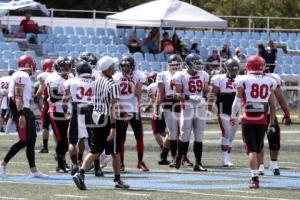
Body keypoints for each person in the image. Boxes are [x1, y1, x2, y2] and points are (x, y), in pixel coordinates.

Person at [73, 56, 130, 190]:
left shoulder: (97, 81)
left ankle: (80, 173)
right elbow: (113, 107)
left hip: (96, 118)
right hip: (107, 119)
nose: (115, 68)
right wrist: (113, 127)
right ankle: (117, 179)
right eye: (112, 66)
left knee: (95, 150)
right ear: (108, 68)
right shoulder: (113, 84)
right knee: (115, 152)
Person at [230, 55, 277, 189]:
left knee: (251, 150)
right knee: (257, 148)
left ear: (249, 65)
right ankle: (257, 172)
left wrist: (233, 116)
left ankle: (254, 178)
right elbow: (272, 105)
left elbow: (237, 101)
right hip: (262, 119)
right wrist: (272, 123)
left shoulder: (242, 79)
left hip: (248, 118)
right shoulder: (270, 80)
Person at [0, 55, 48, 178]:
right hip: (20, 110)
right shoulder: (21, 75)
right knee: (24, 140)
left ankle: (33, 170)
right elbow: (18, 96)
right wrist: (21, 114)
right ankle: (3, 164)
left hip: (25, 109)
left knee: (31, 140)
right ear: (28, 65)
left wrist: (42, 85)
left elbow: (29, 97)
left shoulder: (24, 77)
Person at [113, 55, 149, 172]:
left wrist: (131, 81)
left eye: (127, 65)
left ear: (132, 66)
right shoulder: (116, 77)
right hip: (122, 110)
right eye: (123, 65)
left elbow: (138, 94)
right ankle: (121, 163)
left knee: (139, 137)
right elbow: (114, 96)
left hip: (134, 109)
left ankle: (140, 162)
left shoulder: (138, 76)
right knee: (121, 138)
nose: (125, 67)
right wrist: (120, 110)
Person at [62, 61, 96, 176]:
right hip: (90, 113)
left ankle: (74, 164)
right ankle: (97, 168)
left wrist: (65, 109)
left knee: (72, 141)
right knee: (93, 142)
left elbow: (65, 99)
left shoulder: (71, 82)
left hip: (76, 113)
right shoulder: (95, 82)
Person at [257, 68, 291, 176]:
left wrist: (286, 112)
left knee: (274, 138)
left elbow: (280, 97)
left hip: (269, 113)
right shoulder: (246, 79)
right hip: (254, 115)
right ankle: (260, 165)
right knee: (258, 141)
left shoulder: (271, 79)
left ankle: (273, 164)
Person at [208, 59, 240, 167]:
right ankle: (225, 159)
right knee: (226, 132)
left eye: (235, 70)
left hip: (235, 111)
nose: (234, 72)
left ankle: (227, 158)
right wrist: (208, 109)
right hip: (223, 109)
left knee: (232, 135)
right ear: (226, 69)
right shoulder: (219, 78)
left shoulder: (240, 79)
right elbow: (212, 94)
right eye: (232, 69)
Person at [45, 57, 73, 173]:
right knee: (60, 139)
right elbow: (53, 97)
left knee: (67, 140)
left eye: (67, 66)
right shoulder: (53, 78)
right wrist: (67, 95)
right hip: (56, 111)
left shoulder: (71, 77)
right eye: (64, 66)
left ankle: (62, 160)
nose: (66, 68)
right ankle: (59, 164)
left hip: (67, 111)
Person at [146, 72, 170, 165]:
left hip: (158, 110)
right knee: (164, 132)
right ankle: (170, 144)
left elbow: (153, 101)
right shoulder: (164, 84)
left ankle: (165, 149)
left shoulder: (151, 87)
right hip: (166, 109)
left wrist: (148, 108)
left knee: (156, 133)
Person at [35, 58, 55, 153]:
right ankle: (61, 147)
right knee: (58, 127)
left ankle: (45, 147)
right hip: (59, 103)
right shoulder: (58, 75)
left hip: (47, 102)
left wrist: (36, 96)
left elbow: (41, 89)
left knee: (45, 126)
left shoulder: (43, 75)